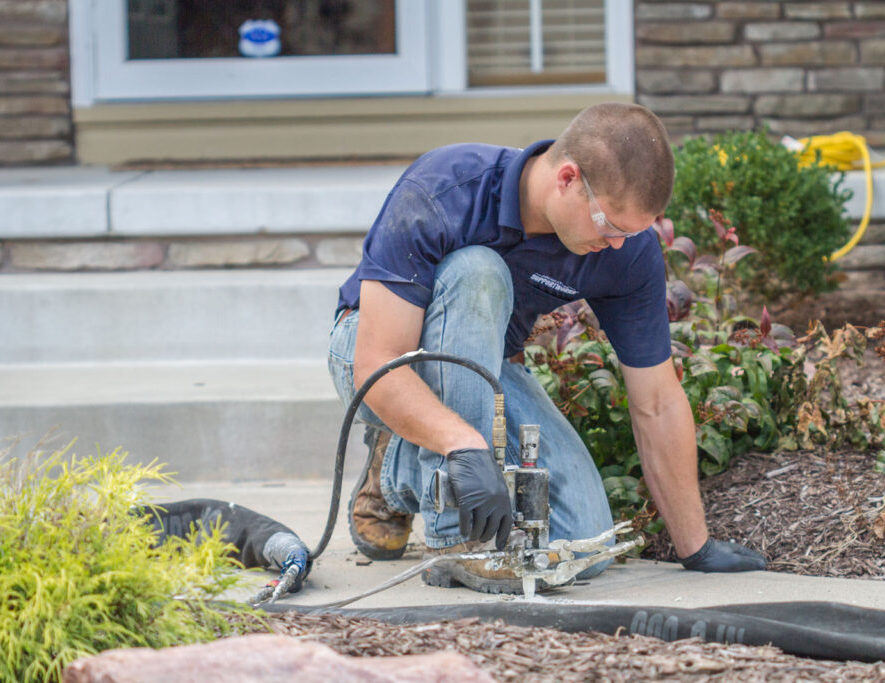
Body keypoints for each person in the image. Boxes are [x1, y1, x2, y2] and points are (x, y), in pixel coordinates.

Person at [327, 102, 766, 594]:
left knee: (584, 548)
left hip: (482, 371)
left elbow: (657, 401)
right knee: (478, 270)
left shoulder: (625, 251)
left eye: (633, 232)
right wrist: (465, 444)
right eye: (611, 226)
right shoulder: (447, 187)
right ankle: (457, 544)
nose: (619, 244)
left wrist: (696, 548)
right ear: (568, 178)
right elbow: (377, 360)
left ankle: (398, 464)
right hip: (373, 355)